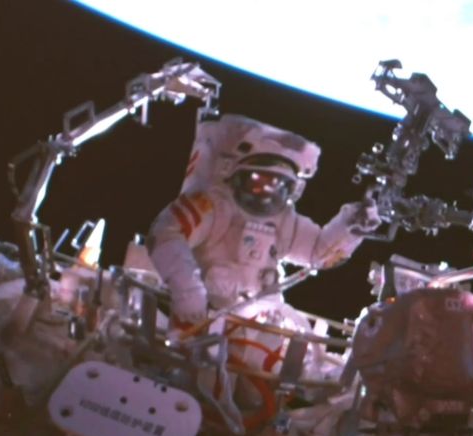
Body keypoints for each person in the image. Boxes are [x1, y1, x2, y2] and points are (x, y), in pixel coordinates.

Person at [148, 113, 380, 333]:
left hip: (260, 324)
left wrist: (351, 227)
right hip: (202, 322)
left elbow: (318, 254)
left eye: (279, 186)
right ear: (235, 175)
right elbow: (166, 235)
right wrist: (188, 291)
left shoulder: (284, 222)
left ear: (293, 190)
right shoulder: (212, 206)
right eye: (258, 181)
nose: (267, 193)